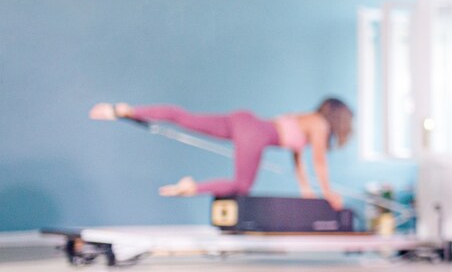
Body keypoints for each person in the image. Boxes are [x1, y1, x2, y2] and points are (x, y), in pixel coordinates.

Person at [89, 98, 354, 209]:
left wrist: (308, 193)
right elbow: (319, 161)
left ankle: (126, 110)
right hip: (255, 134)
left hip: (242, 122)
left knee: (184, 117)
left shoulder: (305, 119)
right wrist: (328, 194)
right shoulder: (319, 125)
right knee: (241, 185)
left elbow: (300, 163)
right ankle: (193, 186)